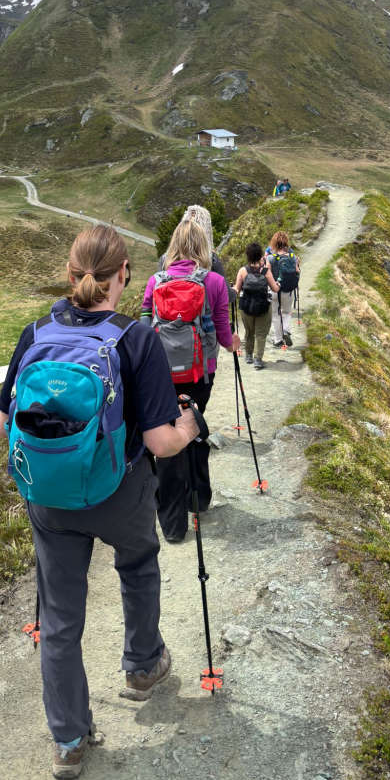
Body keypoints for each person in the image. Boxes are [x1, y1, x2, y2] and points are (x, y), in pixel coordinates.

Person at [0, 225, 200, 780]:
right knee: (136, 564)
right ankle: (141, 667)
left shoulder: (35, 332)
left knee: (60, 618)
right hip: (118, 488)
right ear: (124, 274)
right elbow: (160, 442)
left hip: (49, 499)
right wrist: (189, 424)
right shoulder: (136, 339)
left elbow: (2, 421)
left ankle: (68, 740)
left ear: (70, 274)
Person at [142, 220, 239, 541]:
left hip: (161, 377)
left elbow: (144, 326)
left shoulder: (155, 281)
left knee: (168, 440)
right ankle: (199, 499)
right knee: (194, 426)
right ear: (202, 246)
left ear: (173, 247)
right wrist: (233, 343)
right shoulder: (214, 281)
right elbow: (223, 334)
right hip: (201, 374)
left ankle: (171, 525)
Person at [159, 204, 236, 305]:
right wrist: (234, 291)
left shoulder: (166, 258)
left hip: (170, 315)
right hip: (202, 315)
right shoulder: (211, 259)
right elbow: (226, 295)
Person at [233, 242, 280, 369]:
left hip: (246, 307)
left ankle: (248, 355)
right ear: (260, 256)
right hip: (263, 307)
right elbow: (275, 289)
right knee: (261, 334)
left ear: (247, 256)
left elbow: (236, 289)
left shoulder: (243, 271)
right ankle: (258, 359)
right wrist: (279, 284)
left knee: (249, 332)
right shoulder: (266, 271)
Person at [268, 231, 300, 347]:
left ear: (274, 243)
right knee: (286, 312)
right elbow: (297, 272)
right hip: (288, 290)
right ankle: (286, 330)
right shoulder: (292, 257)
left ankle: (278, 340)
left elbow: (267, 274)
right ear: (286, 242)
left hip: (275, 289)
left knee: (276, 315)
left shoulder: (270, 258)